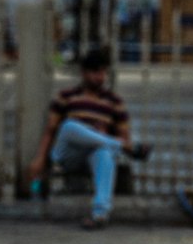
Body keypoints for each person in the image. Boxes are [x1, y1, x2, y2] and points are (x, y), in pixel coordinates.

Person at [27, 46, 151, 230]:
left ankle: (100, 214)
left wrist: (103, 137)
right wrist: (39, 159)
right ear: (84, 73)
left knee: (105, 152)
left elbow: (125, 136)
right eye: (95, 72)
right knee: (69, 126)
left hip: (94, 154)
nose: (100, 77)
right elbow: (51, 130)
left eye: (103, 72)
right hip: (68, 154)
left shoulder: (114, 102)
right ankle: (118, 146)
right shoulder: (66, 97)